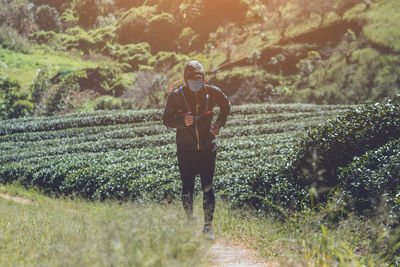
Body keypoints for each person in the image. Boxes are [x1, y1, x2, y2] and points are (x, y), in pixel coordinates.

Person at [162, 60, 231, 240]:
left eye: (199, 79)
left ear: (203, 78)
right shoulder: (176, 96)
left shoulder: (212, 92)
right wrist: (181, 122)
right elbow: (166, 120)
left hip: (208, 148)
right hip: (186, 150)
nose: (196, 83)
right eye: (192, 80)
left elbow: (226, 106)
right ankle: (189, 221)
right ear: (185, 79)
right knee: (187, 189)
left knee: (208, 188)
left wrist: (219, 124)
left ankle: (208, 228)